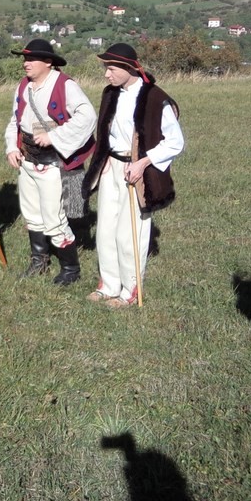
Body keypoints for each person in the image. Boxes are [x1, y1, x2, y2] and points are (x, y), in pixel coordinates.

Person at [82, 43, 184, 308]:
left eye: (111, 69)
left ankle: (130, 290)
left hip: (138, 171)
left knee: (129, 234)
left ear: (129, 68)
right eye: (106, 68)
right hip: (112, 167)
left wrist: (143, 163)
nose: (106, 74)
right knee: (105, 228)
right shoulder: (110, 93)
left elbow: (175, 142)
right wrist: (104, 158)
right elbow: (105, 131)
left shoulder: (155, 98)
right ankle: (109, 284)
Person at [4, 39, 96, 285]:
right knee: (32, 215)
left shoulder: (65, 85)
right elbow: (15, 120)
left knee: (54, 219)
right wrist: (11, 147)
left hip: (53, 163)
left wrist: (54, 137)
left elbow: (87, 117)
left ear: (48, 62)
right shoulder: (23, 85)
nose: (26, 63)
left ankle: (70, 268)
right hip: (27, 159)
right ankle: (39, 261)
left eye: (31, 59)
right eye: (25, 59)